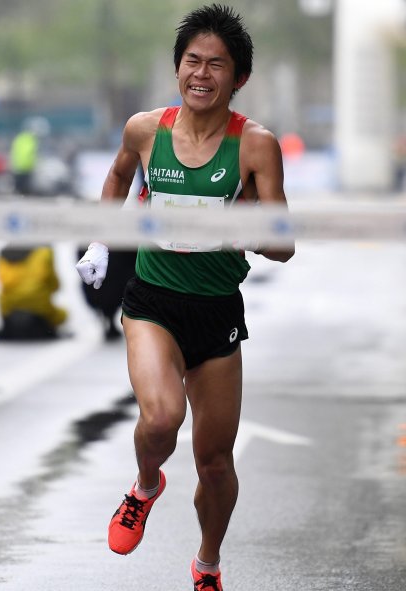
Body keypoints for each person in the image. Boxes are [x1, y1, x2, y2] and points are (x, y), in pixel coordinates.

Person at [74, 5, 293, 590]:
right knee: (162, 416)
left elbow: (283, 243)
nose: (202, 73)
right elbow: (120, 176)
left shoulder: (255, 146)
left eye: (216, 65)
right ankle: (145, 486)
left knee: (215, 463)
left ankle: (207, 564)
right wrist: (100, 240)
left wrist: (235, 228)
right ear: (177, 70)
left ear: (237, 77)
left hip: (218, 311)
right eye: (192, 61)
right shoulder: (146, 130)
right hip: (153, 302)